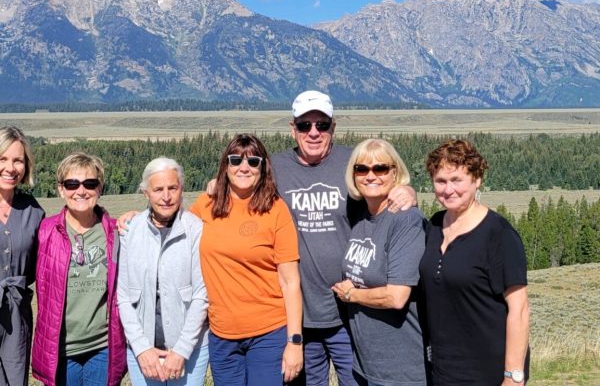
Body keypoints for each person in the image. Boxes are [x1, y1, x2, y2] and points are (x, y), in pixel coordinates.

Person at [271, 91, 417, 386]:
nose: (314, 132)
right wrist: (214, 185)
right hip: (300, 314)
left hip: (350, 313)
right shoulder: (275, 167)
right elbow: (238, 181)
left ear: (333, 127)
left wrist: (409, 193)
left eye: (322, 125)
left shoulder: (355, 162)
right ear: (292, 129)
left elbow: (383, 182)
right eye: (304, 125)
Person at [188, 134, 303, 386]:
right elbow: (173, 229)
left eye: (253, 161)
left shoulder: (275, 209)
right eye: (235, 160)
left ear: (263, 168)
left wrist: (294, 342)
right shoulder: (205, 204)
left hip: (268, 333)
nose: (244, 167)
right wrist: (137, 218)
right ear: (225, 166)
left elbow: (290, 281)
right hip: (221, 334)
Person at [418, 139, 530, 386]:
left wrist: (513, 376)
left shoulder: (498, 234)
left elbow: (519, 309)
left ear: (477, 179)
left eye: (457, 180)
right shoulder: (434, 226)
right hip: (442, 370)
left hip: (488, 372)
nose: (448, 190)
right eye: (440, 181)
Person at [332, 139, 429, 386]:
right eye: (361, 169)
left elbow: (396, 297)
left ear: (395, 172)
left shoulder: (405, 221)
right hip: (366, 364)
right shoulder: (362, 219)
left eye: (381, 168)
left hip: (401, 367)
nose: (370, 175)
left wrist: (351, 295)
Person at [32, 152, 126, 386]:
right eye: (72, 183)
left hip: (102, 349)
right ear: (61, 189)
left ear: (100, 188)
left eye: (90, 183)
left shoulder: (117, 232)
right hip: (61, 351)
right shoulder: (45, 232)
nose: (81, 191)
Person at [117, 157, 209, 386]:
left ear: (181, 190)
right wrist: (141, 348)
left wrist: (182, 351)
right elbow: (123, 296)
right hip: (143, 352)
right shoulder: (130, 230)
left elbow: (201, 295)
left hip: (190, 350)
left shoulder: (196, 230)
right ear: (145, 192)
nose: (166, 197)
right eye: (158, 189)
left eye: (172, 188)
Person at [0, 126, 45, 386]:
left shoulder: (32, 210)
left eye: (17, 160)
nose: (10, 167)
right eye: (3, 159)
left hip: (17, 315)